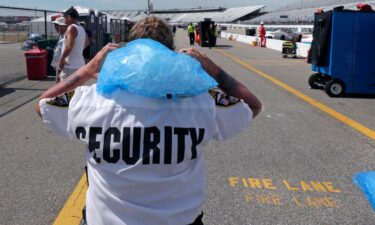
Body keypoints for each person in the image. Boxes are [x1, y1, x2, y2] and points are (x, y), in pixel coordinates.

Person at [35, 16, 261, 225]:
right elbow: (252, 105)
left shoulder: (92, 99)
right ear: (172, 54)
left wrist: (89, 68)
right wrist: (209, 67)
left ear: (128, 50)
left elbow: (43, 104)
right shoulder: (202, 102)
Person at [58, 7, 86, 80]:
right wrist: (77, 51)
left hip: (70, 66)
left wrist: (62, 60)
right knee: (76, 90)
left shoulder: (71, 28)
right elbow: (87, 42)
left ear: (69, 17)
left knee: (67, 90)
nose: (64, 20)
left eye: (65, 17)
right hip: (80, 64)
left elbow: (68, 46)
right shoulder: (81, 28)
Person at [51, 17, 67, 82]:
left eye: (58, 25)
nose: (56, 27)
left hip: (64, 68)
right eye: (55, 25)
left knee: (64, 88)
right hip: (58, 66)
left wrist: (59, 70)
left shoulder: (66, 37)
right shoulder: (61, 36)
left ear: (64, 26)